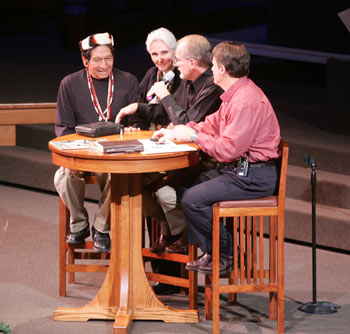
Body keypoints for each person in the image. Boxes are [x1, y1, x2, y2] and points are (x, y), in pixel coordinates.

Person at [152, 41, 281, 275]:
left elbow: (228, 149)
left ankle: (228, 253)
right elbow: (212, 124)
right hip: (237, 171)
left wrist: (192, 135)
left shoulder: (245, 101)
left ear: (222, 69)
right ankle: (211, 250)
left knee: (193, 199)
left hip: (252, 176)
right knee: (181, 185)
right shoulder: (236, 94)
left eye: (212, 65)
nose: (210, 70)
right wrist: (178, 131)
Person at [117, 33, 223, 295]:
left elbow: (186, 121)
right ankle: (171, 233)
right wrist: (138, 108)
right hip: (180, 156)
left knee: (163, 190)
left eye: (174, 57)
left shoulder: (211, 86)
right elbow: (170, 114)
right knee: (126, 182)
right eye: (156, 55)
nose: (172, 64)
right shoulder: (186, 82)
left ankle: (180, 235)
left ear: (191, 61)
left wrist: (164, 95)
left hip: (203, 163)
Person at [54, 32, 140, 252]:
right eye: (97, 60)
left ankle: (101, 227)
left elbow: (136, 120)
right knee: (63, 176)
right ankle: (79, 223)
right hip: (83, 152)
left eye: (108, 59)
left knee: (120, 177)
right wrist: (73, 153)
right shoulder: (70, 84)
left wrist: (133, 128)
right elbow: (64, 128)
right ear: (85, 60)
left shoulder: (128, 80)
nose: (104, 65)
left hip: (115, 152)